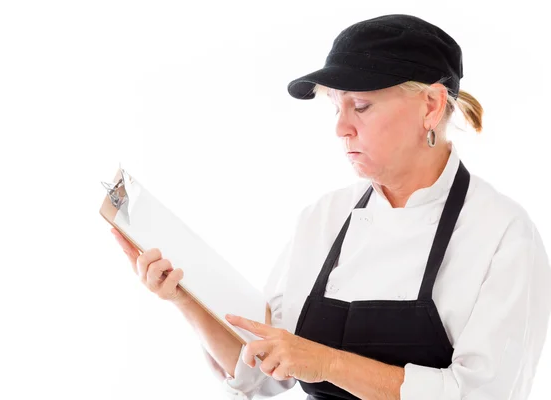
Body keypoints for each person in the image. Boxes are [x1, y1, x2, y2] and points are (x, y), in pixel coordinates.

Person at [111, 13, 551, 400]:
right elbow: (263, 375)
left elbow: (482, 396)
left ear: (431, 105)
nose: (341, 127)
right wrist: (185, 298)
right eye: (335, 106)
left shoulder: (502, 233)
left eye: (361, 105)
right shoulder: (324, 218)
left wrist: (326, 363)